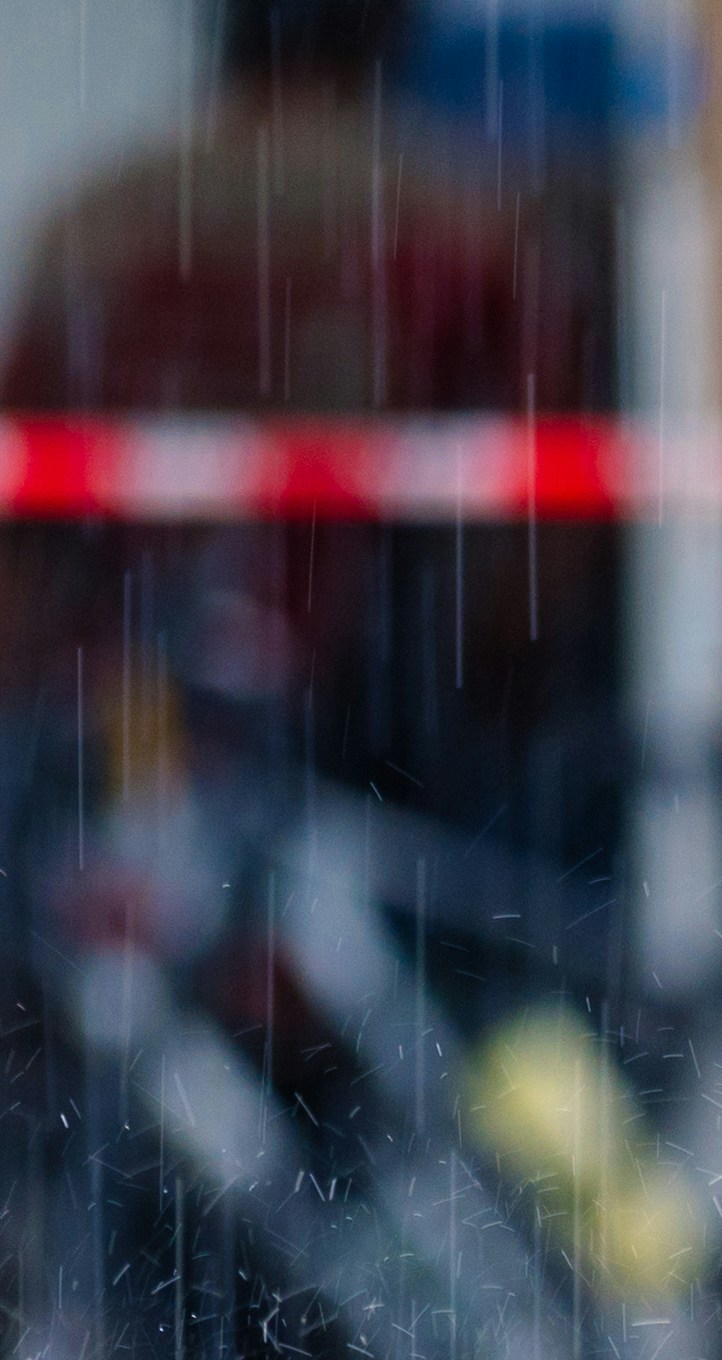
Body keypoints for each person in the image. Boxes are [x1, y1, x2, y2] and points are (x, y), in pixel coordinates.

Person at [5, 0, 616, 860]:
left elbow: (18, 501)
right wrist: (497, 683)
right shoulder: (465, 216)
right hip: (370, 713)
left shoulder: (95, 219)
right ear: (383, 36)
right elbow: (548, 512)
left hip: (121, 696)